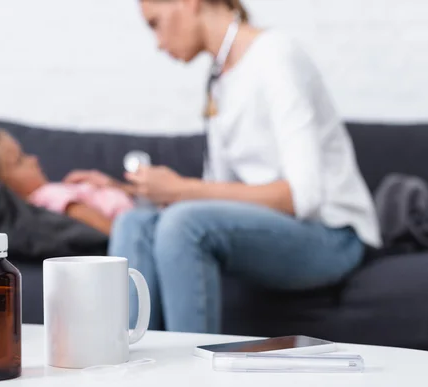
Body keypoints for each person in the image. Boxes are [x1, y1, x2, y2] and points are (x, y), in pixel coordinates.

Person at [68, 0, 383, 334]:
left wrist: (183, 190)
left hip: (332, 235)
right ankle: (126, 367)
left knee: (182, 224)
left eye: (155, 23)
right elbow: (216, 194)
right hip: (272, 228)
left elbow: (303, 198)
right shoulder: (220, 79)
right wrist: (132, 191)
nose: (158, 43)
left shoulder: (276, 55)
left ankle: (191, 379)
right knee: (134, 223)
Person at [0, 128, 134, 235]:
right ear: (2, 183)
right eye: (20, 161)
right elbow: (110, 231)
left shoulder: (51, 193)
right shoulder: (48, 196)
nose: (33, 160)